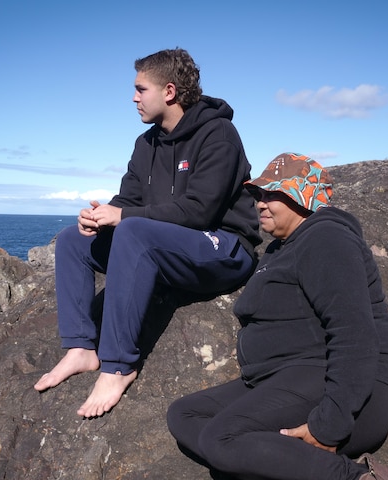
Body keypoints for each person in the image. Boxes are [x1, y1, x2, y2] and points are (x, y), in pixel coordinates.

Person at [166, 153, 388, 480]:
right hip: (288, 378)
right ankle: (303, 478)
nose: (261, 203)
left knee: (222, 439)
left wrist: (329, 425)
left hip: (347, 385)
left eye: (274, 194)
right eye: (258, 194)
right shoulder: (283, 249)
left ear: (304, 198)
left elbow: (354, 336)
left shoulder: (327, 239)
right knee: (185, 415)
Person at [35, 48, 261, 418]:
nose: (134, 97)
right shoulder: (147, 143)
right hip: (166, 249)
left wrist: (123, 215)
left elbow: (200, 210)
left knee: (134, 230)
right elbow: (128, 198)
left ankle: (118, 366)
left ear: (169, 91)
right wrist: (98, 217)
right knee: (73, 240)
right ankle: (80, 349)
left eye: (141, 89)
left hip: (222, 248)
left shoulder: (219, 133)